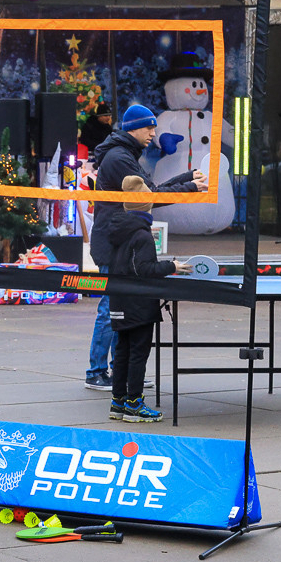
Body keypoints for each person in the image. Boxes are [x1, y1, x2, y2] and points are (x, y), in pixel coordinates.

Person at [85, 103, 206, 391]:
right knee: (109, 308)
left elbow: (150, 189)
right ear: (133, 128)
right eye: (149, 127)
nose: (154, 132)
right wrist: (189, 188)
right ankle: (97, 372)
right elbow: (149, 197)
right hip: (114, 241)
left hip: (120, 239)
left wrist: (187, 178)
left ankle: (118, 370)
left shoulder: (125, 154)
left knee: (119, 305)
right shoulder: (119, 158)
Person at [108, 176, 191, 422]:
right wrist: (172, 265)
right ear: (146, 206)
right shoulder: (142, 235)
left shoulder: (117, 230)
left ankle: (118, 401)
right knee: (138, 354)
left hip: (119, 300)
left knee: (122, 351)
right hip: (138, 303)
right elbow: (144, 269)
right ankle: (134, 403)